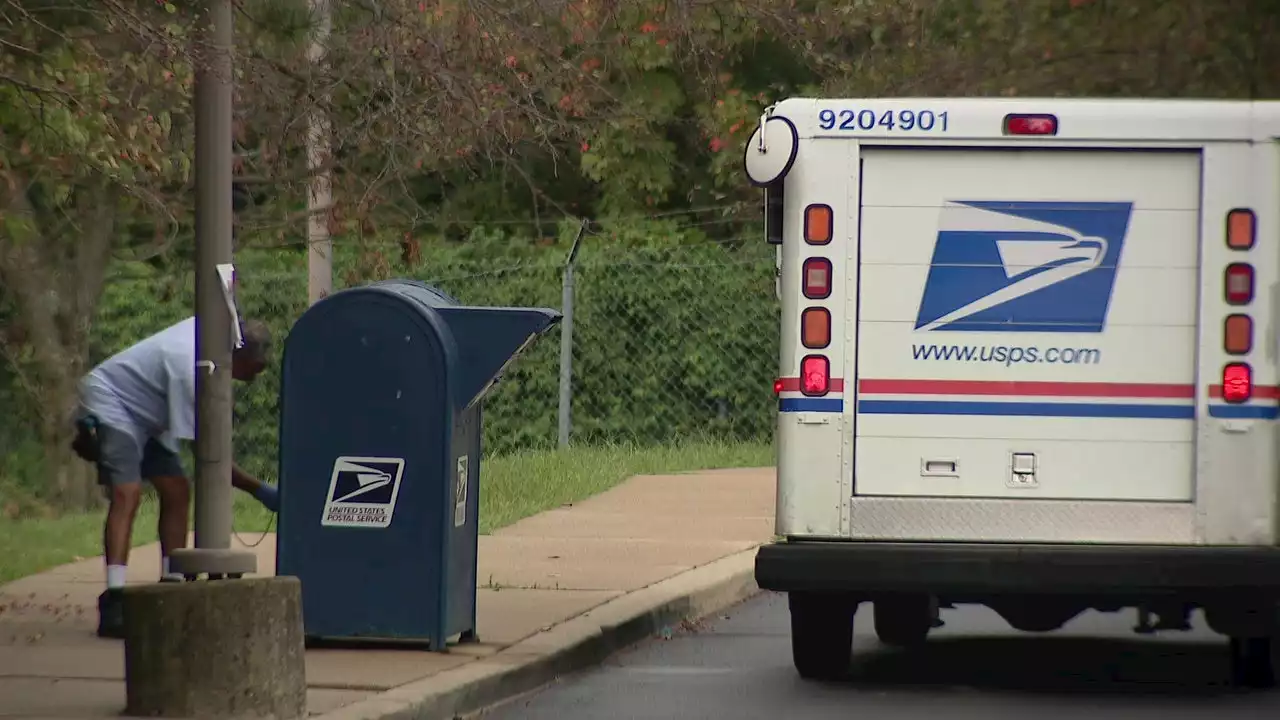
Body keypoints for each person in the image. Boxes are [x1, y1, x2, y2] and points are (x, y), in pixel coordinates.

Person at [70, 315, 281, 638]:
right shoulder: (190, 370)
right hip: (113, 400)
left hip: (151, 411)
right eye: (251, 370)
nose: (250, 380)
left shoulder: (217, 331)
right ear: (236, 355)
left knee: (178, 491)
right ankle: (114, 598)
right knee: (127, 492)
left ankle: (171, 584)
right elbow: (209, 458)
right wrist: (261, 491)